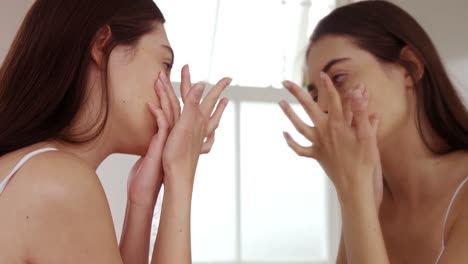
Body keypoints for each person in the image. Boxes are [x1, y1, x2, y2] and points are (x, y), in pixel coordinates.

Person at [0, 0, 231, 263]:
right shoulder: (59, 184)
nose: (172, 94)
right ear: (102, 45)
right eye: (165, 64)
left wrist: (140, 204)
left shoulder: (32, 171)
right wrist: (180, 175)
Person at [280, 1, 468, 263]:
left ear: (410, 68)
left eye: (339, 78)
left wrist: (354, 192)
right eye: (314, 94)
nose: (324, 107)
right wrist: (355, 193)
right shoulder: (366, 195)